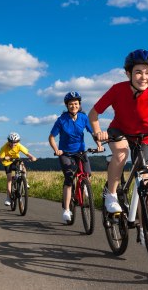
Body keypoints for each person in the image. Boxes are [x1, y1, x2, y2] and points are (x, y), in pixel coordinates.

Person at [88, 49, 148, 213]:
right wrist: (98, 132)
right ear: (128, 73)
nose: (144, 77)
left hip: (143, 137)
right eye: (138, 72)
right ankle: (111, 195)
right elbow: (94, 113)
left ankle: (143, 226)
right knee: (122, 152)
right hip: (119, 131)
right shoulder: (117, 90)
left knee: (145, 178)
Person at [49, 91, 104, 222]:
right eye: (70, 104)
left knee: (87, 174)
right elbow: (51, 137)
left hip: (80, 152)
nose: (73, 106)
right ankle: (67, 210)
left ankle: (85, 189)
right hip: (65, 153)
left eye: (75, 103)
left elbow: (93, 133)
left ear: (79, 105)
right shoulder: (61, 120)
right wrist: (57, 150)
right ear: (67, 106)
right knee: (69, 178)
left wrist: (99, 145)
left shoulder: (84, 118)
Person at [0, 132, 37, 206]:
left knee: (23, 166)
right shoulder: (4, 147)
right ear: (8, 141)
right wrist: (4, 158)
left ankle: (25, 181)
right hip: (7, 163)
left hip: (16, 160)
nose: (13, 144)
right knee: (9, 179)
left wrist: (32, 157)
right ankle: (8, 198)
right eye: (11, 142)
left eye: (15, 142)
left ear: (18, 141)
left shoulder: (19, 146)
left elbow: (27, 153)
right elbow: (0, 158)